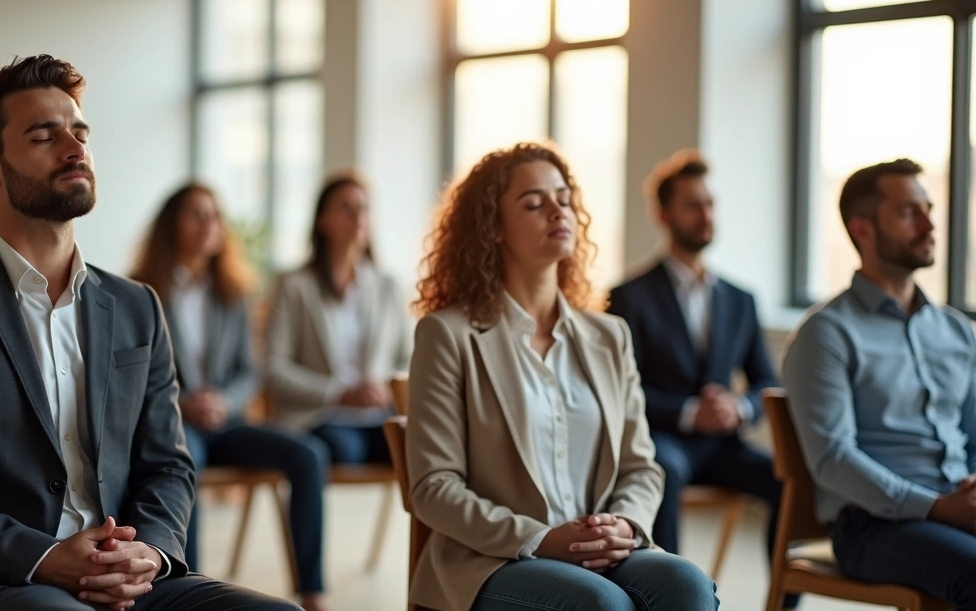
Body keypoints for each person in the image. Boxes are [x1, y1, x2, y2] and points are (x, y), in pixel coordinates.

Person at [0, 54, 300, 611]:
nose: (75, 149)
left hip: (130, 579)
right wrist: (41, 558)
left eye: (79, 132)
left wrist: (149, 552)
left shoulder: (137, 305)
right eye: (44, 136)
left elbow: (167, 464)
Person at [406, 142, 718, 611]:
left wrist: (626, 526)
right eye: (533, 203)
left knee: (687, 585)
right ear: (492, 227)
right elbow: (434, 488)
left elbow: (640, 467)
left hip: (602, 551)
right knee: (601, 604)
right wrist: (541, 538)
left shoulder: (610, 336)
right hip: (494, 559)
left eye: (564, 198)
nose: (557, 209)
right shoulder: (447, 335)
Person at [783, 158, 976, 609]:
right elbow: (833, 459)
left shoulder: (955, 330)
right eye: (909, 212)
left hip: (957, 507)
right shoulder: (827, 332)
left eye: (927, 208)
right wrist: (934, 507)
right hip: (873, 526)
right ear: (863, 229)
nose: (930, 223)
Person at [130, 183, 330, 611]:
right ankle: (191, 587)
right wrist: (183, 404)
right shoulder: (141, 293)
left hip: (227, 419)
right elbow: (134, 375)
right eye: (196, 215)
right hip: (176, 422)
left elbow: (249, 371)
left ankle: (312, 591)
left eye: (214, 216)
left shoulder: (233, 292)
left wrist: (223, 401)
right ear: (171, 226)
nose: (209, 225)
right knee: (183, 462)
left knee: (308, 454)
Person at [605, 151, 791, 606]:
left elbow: (766, 381)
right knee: (662, 472)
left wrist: (740, 407)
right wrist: (692, 413)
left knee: (788, 480)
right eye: (693, 204)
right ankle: (672, 597)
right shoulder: (628, 297)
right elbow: (619, 392)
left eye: (710, 203)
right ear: (664, 214)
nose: (706, 214)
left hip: (724, 445)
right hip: (665, 439)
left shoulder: (741, 299)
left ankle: (782, 601)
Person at [264, 172, 411, 465]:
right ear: (323, 220)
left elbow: (409, 359)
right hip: (320, 416)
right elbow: (274, 367)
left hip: (381, 417)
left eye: (364, 208)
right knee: (344, 449)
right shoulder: (294, 286)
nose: (358, 217)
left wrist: (385, 388)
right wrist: (338, 394)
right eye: (347, 207)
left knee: (431, 450)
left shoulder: (388, 287)